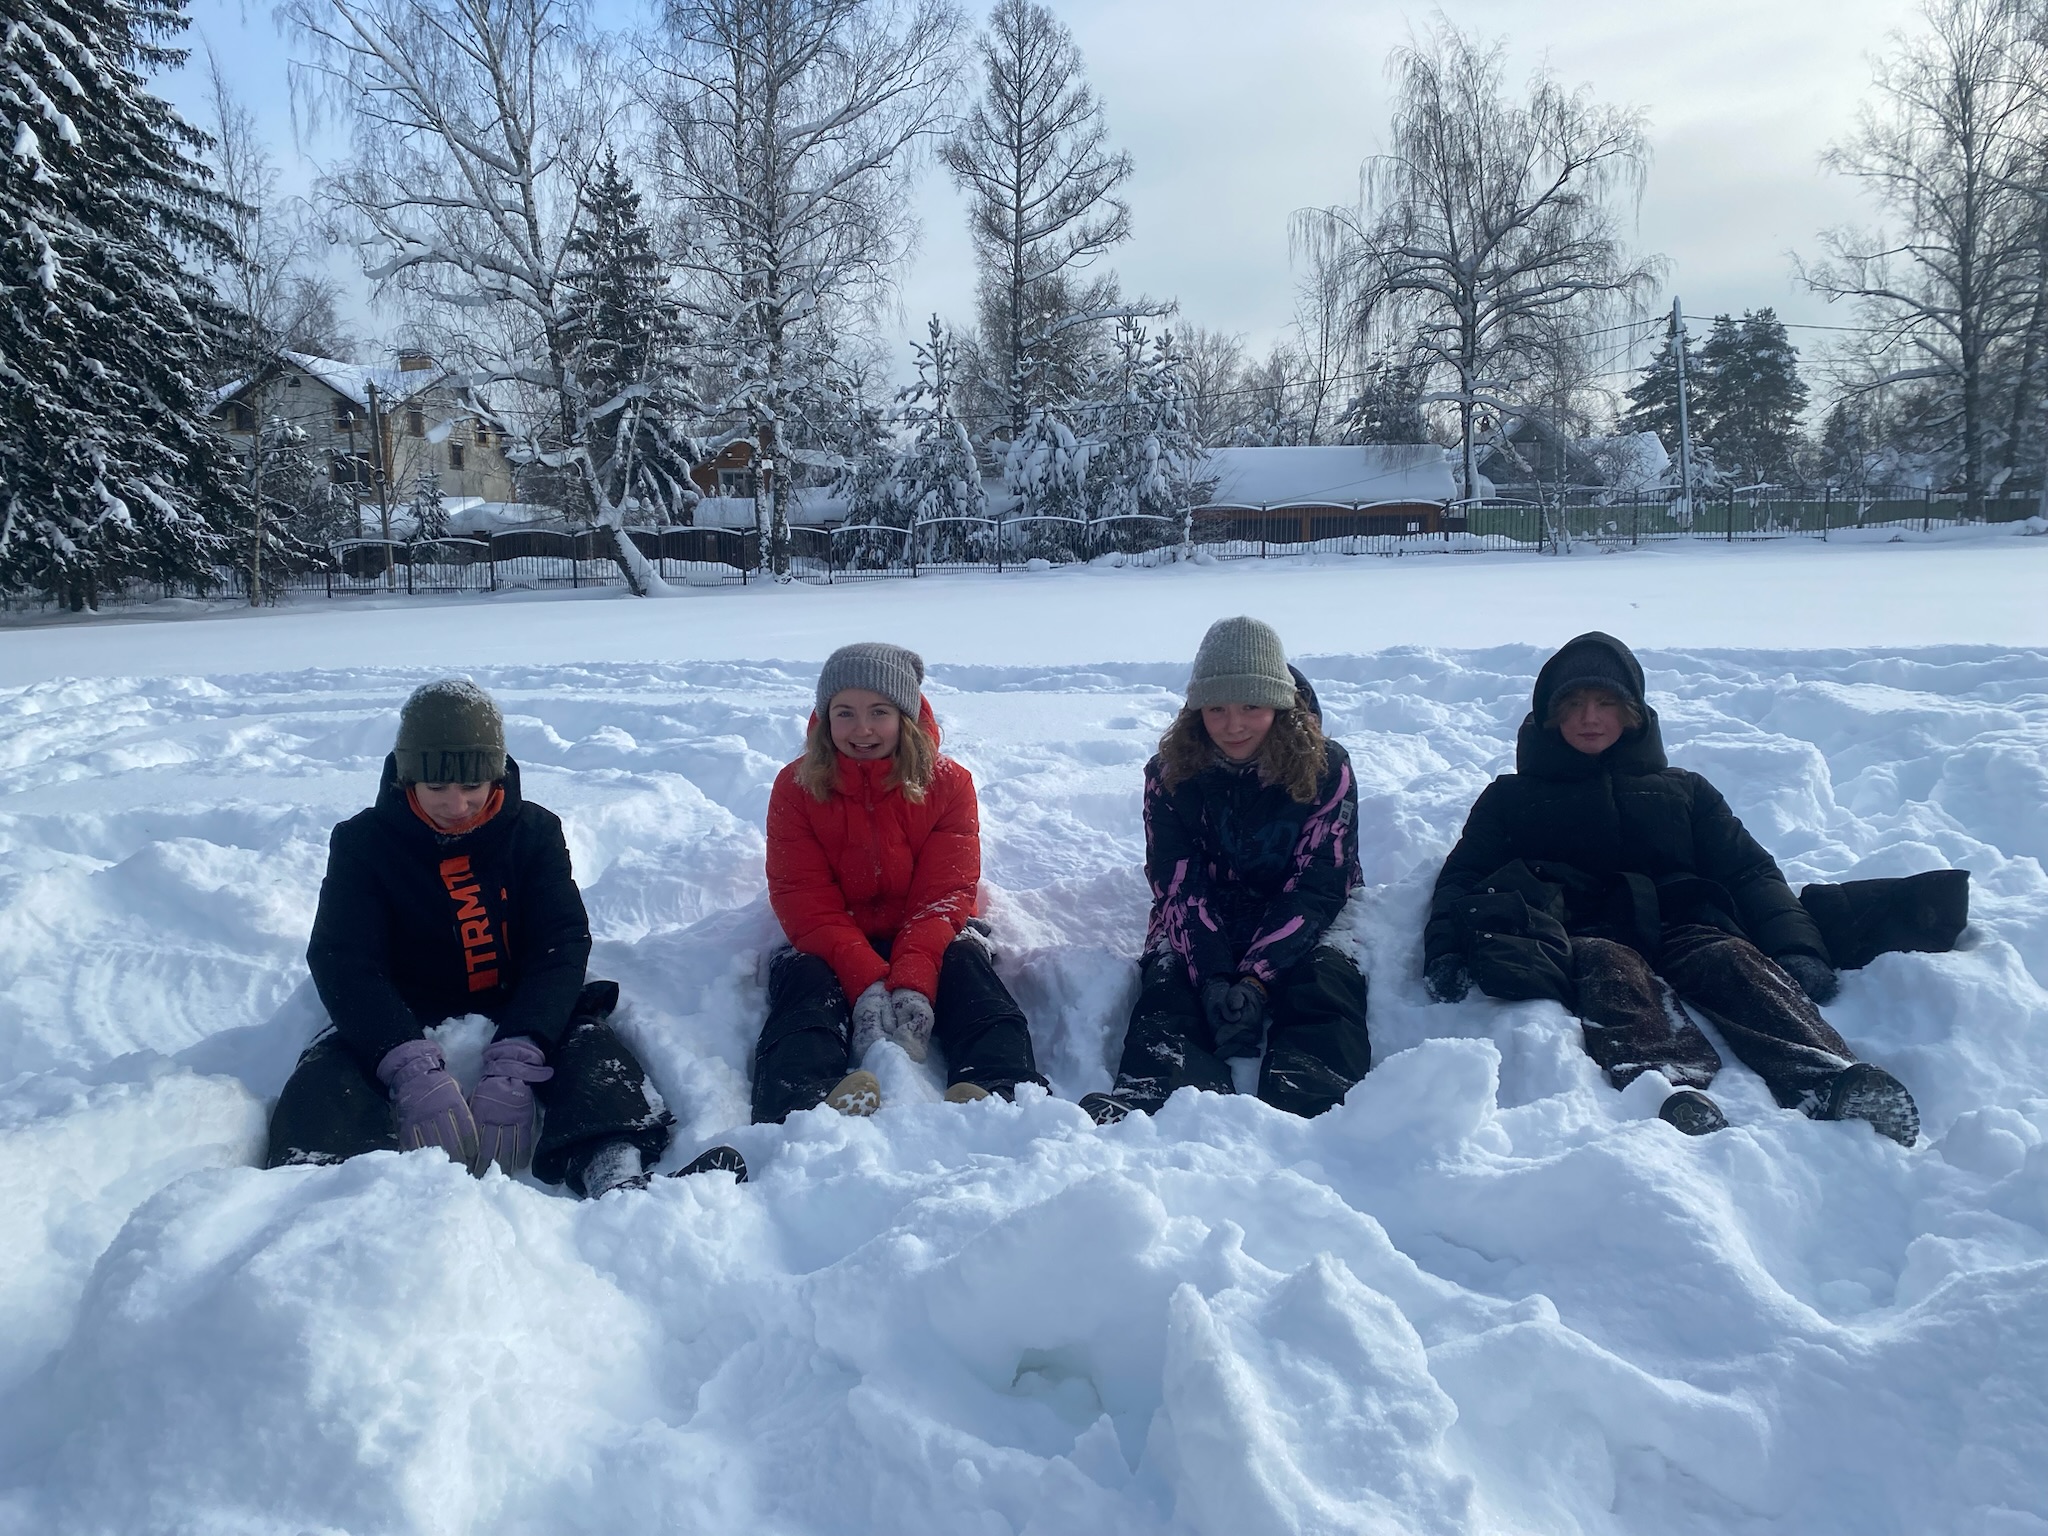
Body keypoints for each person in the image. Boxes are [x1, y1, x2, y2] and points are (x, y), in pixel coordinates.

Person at [1423, 632, 1919, 1144]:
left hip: (1684, 923)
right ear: (1550, 716)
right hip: (1583, 931)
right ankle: (1671, 1090)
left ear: (1632, 712)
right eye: (1572, 705)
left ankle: (1830, 1077)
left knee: (1733, 959)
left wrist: (1796, 947)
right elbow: (1464, 877)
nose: (1589, 718)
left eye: (1605, 702)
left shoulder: (1686, 791)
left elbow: (1749, 871)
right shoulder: (1511, 797)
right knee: (1611, 970)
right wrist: (1446, 951)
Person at [267, 680, 745, 1194]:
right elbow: (343, 958)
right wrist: (405, 1062)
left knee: (591, 1049)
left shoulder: (534, 833)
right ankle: (323, 1195)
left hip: (517, 1006)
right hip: (403, 1013)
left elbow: (560, 943)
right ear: (408, 779)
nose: (457, 804)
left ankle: (616, 1173)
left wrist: (521, 1051)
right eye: (436, 787)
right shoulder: (363, 842)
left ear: (495, 774)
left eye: (472, 785)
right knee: (327, 1076)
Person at [1083, 616, 1369, 1124]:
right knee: (1169, 983)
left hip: (1308, 913)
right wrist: (1213, 976)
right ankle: (1155, 1098)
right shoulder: (1169, 774)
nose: (1233, 725)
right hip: (1204, 910)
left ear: (1278, 705)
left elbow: (1318, 883)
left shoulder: (1326, 768)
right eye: (1217, 708)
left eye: (1251, 707)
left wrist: (1257, 980)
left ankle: (1315, 1103)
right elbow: (1177, 883)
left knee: (1324, 982)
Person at [754, 643, 1046, 1121]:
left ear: (905, 717)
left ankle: (1001, 1090)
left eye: (879, 712)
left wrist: (913, 975)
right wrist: (863, 976)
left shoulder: (948, 783)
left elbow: (945, 892)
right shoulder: (797, 786)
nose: (862, 729)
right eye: (844, 713)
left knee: (970, 975)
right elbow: (802, 895)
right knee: (805, 987)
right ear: (825, 718)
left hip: (931, 926)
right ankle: (798, 1104)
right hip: (829, 931)